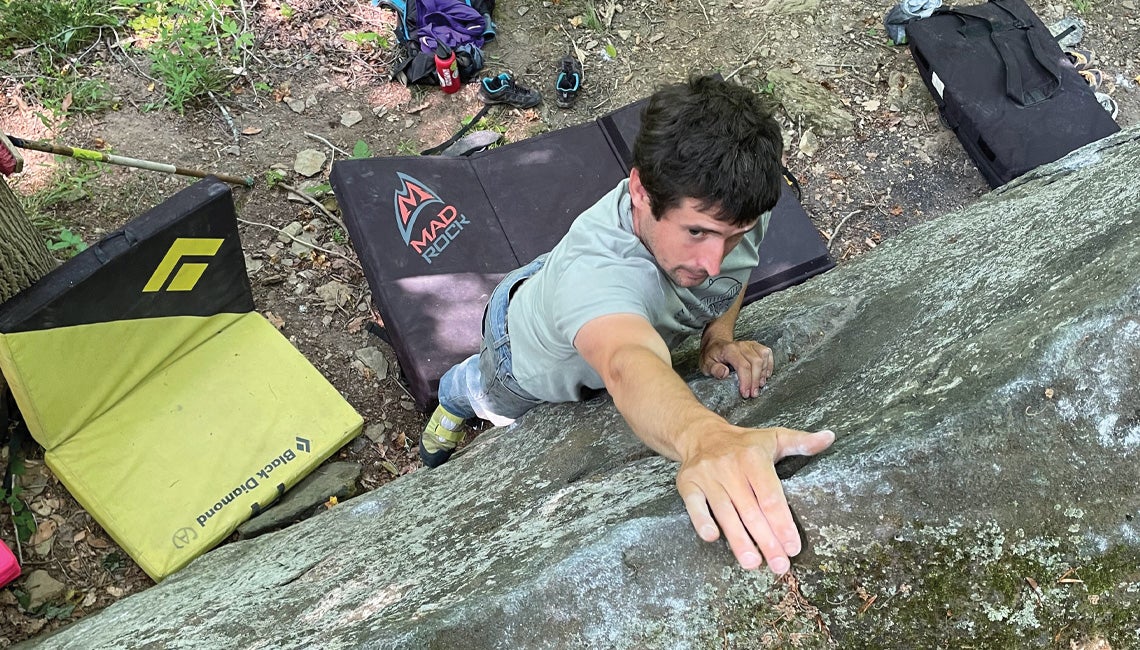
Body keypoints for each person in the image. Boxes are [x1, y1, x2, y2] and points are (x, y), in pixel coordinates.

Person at [419, 75, 835, 575]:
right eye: (697, 232)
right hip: (521, 355)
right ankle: (453, 396)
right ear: (640, 190)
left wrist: (718, 336)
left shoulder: (734, 204)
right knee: (487, 395)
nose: (715, 262)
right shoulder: (594, 278)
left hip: (586, 298)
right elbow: (624, 362)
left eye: (734, 236)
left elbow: (731, 274)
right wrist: (705, 440)